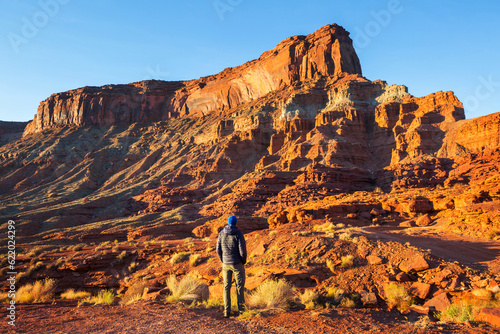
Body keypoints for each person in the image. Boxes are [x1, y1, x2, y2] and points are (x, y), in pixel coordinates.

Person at [216, 215, 247, 318]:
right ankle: (241, 312)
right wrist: (243, 261)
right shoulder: (238, 233)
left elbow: (218, 250)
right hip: (237, 264)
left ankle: (226, 311)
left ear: (228, 222)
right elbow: (242, 251)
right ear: (236, 223)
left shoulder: (221, 233)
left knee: (226, 287)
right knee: (239, 287)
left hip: (226, 264)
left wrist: (223, 260)